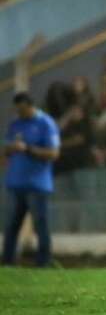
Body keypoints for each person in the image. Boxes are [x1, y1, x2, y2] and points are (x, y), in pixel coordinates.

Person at [3, 92, 60, 267]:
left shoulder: (46, 123)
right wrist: (11, 148)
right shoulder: (15, 124)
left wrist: (28, 149)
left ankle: (43, 262)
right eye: (17, 110)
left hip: (37, 183)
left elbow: (53, 153)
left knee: (40, 224)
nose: (19, 113)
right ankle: (7, 262)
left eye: (22, 110)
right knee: (11, 225)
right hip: (15, 182)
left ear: (30, 106)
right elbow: (5, 149)